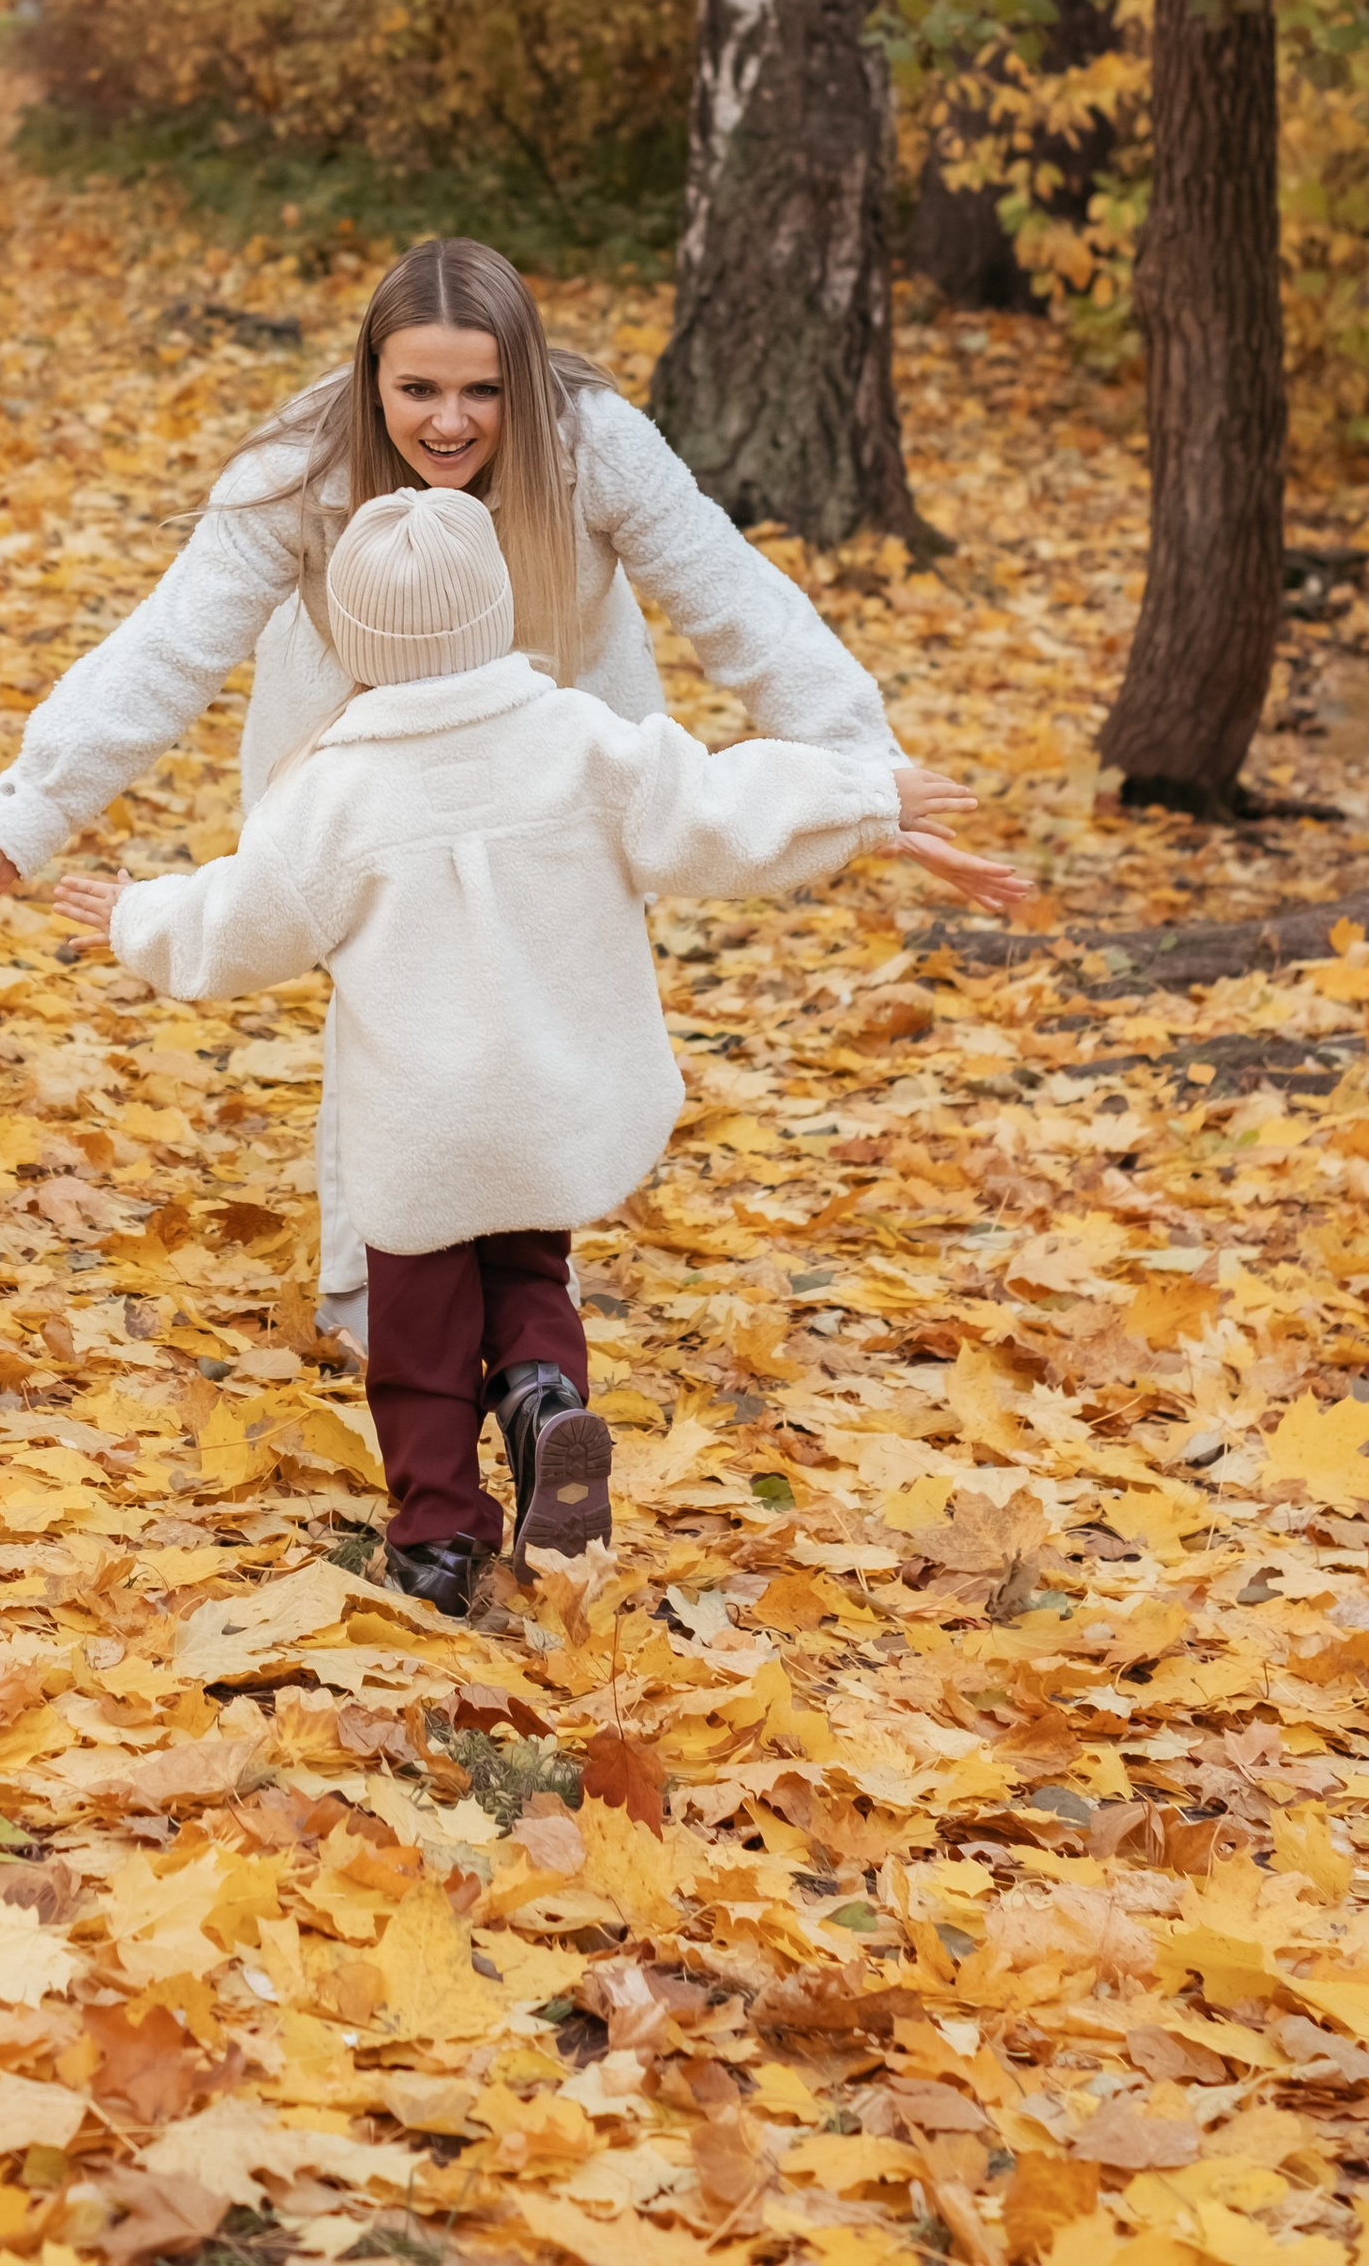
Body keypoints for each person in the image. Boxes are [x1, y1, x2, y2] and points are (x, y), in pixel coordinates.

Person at [0, 234, 978, 1352]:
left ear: (526, 378)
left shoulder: (596, 446)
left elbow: (738, 604)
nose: (449, 422)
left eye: (483, 391)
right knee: (390, 1003)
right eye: (417, 388)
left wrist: (867, 778)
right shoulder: (295, 472)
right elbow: (165, 652)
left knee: (540, 1006)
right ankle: (371, 1297)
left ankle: (523, 1290)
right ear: (371, 378)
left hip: (561, 761)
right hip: (357, 757)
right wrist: (15, 833)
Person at [54, 487, 1023, 1615]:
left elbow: (241, 922)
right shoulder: (578, 741)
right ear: (498, 614)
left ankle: (437, 1539)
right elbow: (715, 804)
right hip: (550, 1097)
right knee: (528, 1272)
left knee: (417, 1337)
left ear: (353, 642)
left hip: (422, 1123)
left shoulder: (332, 792)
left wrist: (135, 913)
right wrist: (864, 793)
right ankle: (543, 1395)